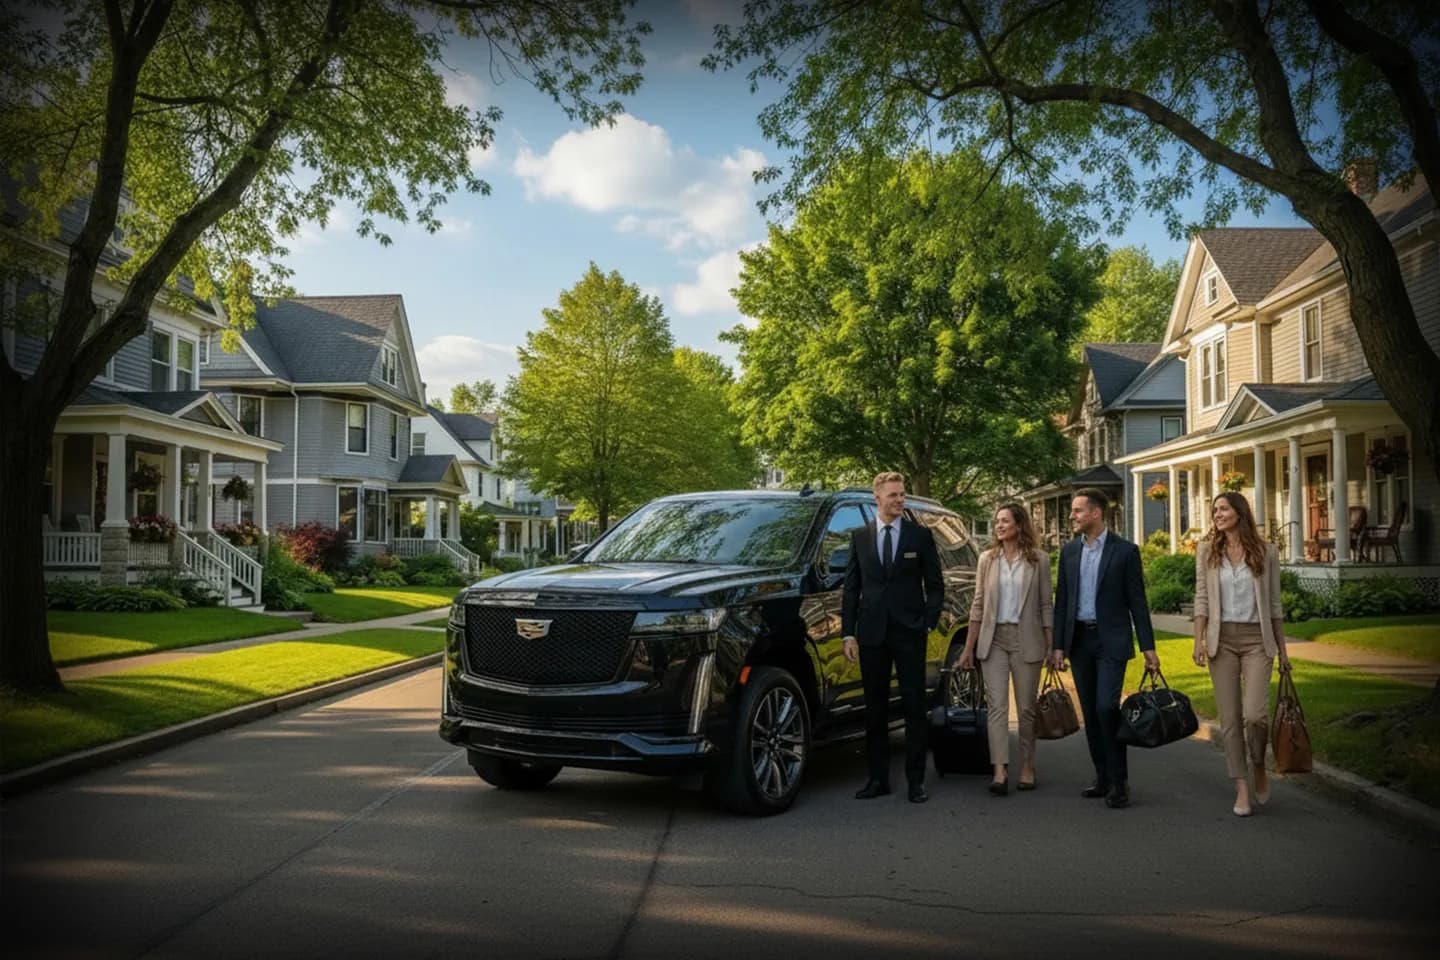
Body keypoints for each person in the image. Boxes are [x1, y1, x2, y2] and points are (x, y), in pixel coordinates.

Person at [1049, 487, 1158, 809]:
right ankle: (1102, 777)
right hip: (1079, 641)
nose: (1072, 516)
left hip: (1111, 640)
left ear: (1096, 513)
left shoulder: (1125, 552)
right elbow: (1062, 603)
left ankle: (1119, 781)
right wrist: (1057, 646)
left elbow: (1138, 602)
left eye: (1078, 511)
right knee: (1091, 714)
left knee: (1105, 708)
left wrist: (1148, 647)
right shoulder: (1069, 552)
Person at [842, 471, 945, 804]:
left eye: (902, 494)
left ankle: (916, 781)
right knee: (875, 710)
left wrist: (927, 621)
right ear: (878, 498)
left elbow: (935, 584)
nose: (900, 500)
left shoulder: (919, 536)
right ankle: (877, 779)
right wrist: (847, 633)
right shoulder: (859, 537)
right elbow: (851, 588)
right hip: (871, 634)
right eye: (893, 495)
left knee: (915, 707)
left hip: (909, 633)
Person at [1192, 492, 1290, 818]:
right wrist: (1198, 641)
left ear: (1238, 512)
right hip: (1222, 642)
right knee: (1231, 719)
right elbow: (1202, 599)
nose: (1217, 514)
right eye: (1214, 510)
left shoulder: (1266, 552)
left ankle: (1259, 761)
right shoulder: (1207, 551)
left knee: (1255, 715)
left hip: (1257, 641)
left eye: (1222, 508)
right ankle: (1242, 788)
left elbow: (1275, 605)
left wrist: (1283, 651)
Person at [959, 502, 1053, 795]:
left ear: (1019, 524)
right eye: (997, 521)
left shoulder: (1039, 560)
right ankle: (999, 770)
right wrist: (968, 648)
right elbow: (978, 604)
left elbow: (1046, 604)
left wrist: (1052, 647)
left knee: (1026, 709)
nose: (999, 526)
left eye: (1005, 521)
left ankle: (1027, 764)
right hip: (994, 639)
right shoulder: (987, 559)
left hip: (1027, 639)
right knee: (997, 708)